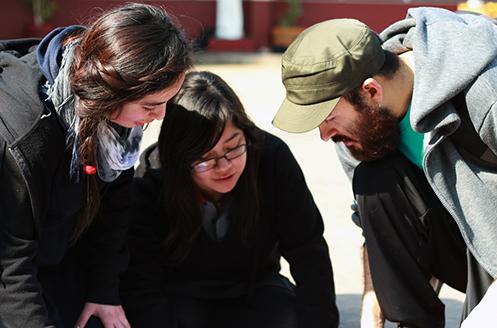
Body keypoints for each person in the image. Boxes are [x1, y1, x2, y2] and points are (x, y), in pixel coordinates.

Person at [272, 8, 497, 328]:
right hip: (466, 247)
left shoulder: (488, 91)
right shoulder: (361, 132)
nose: (325, 136)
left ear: (370, 91)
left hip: (493, 245)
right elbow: (378, 230)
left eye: (328, 119)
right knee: (374, 177)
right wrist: (372, 306)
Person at [0, 3, 191, 327]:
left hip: (60, 256)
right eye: (151, 105)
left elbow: (114, 205)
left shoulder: (115, 120)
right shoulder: (23, 136)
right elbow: (9, 264)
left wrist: (104, 290)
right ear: (109, 92)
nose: (160, 116)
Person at [119, 71, 339, 328]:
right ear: (178, 158)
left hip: (254, 286)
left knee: (285, 316)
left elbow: (307, 249)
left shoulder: (271, 157)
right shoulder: (152, 177)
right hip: (180, 293)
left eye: (233, 147)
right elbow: (141, 276)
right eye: (205, 158)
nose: (224, 166)